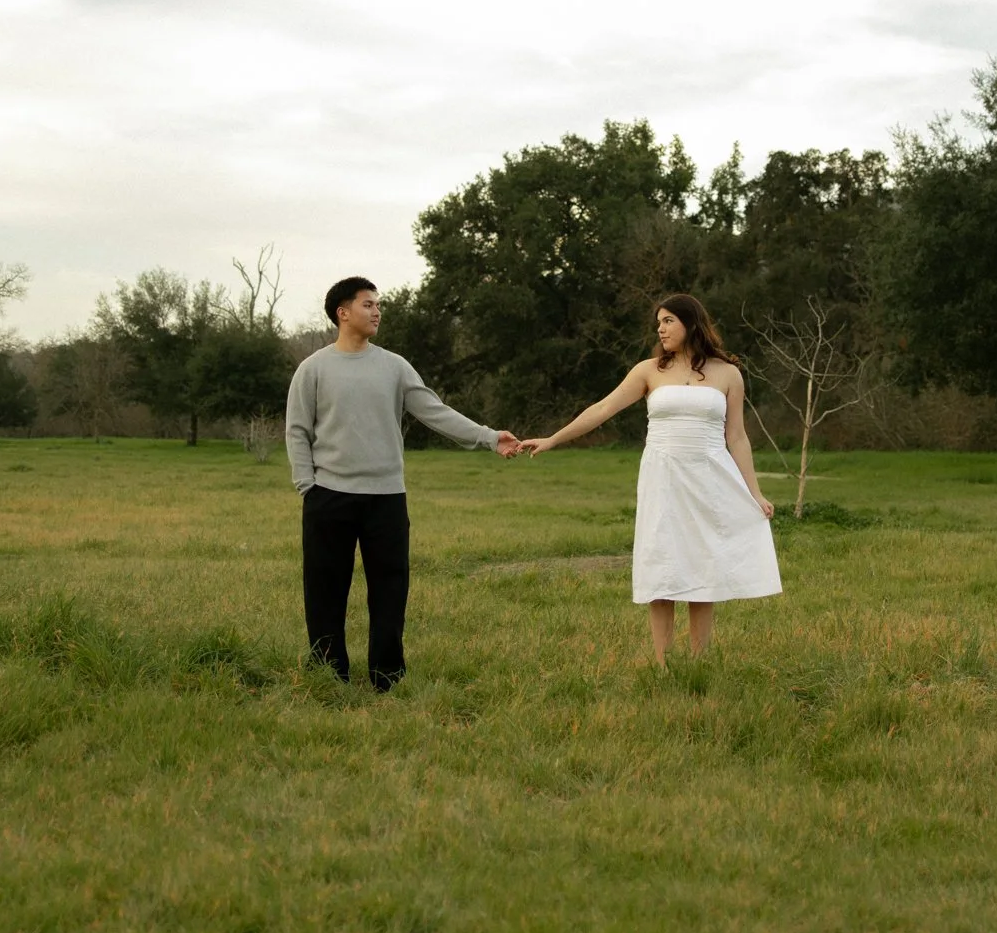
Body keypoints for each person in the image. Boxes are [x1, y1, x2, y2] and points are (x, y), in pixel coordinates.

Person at [286, 276, 520, 690]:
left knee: (390, 590)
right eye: (368, 304)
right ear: (342, 313)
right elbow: (297, 431)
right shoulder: (314, 368)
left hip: (386, 499)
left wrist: (488, 436)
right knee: (324, 590)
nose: (377, 311)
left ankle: (387, 676)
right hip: (329, 499)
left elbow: (435, 411)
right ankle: (328, 674)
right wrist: (308, 486)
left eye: (378, 305)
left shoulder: (393, 366)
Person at [523, 293, 779, 659]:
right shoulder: (648, 370)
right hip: (663, 478)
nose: (660, 328)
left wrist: (754, 493)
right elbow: (603, 408)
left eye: (668, 320)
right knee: (662, 561)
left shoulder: (728, 374)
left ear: (690, 323)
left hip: (710, 479)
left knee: (703, 563)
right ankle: (661, 662)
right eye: (658, 322)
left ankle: (699, 661)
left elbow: (736, 436)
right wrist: (552, 439)